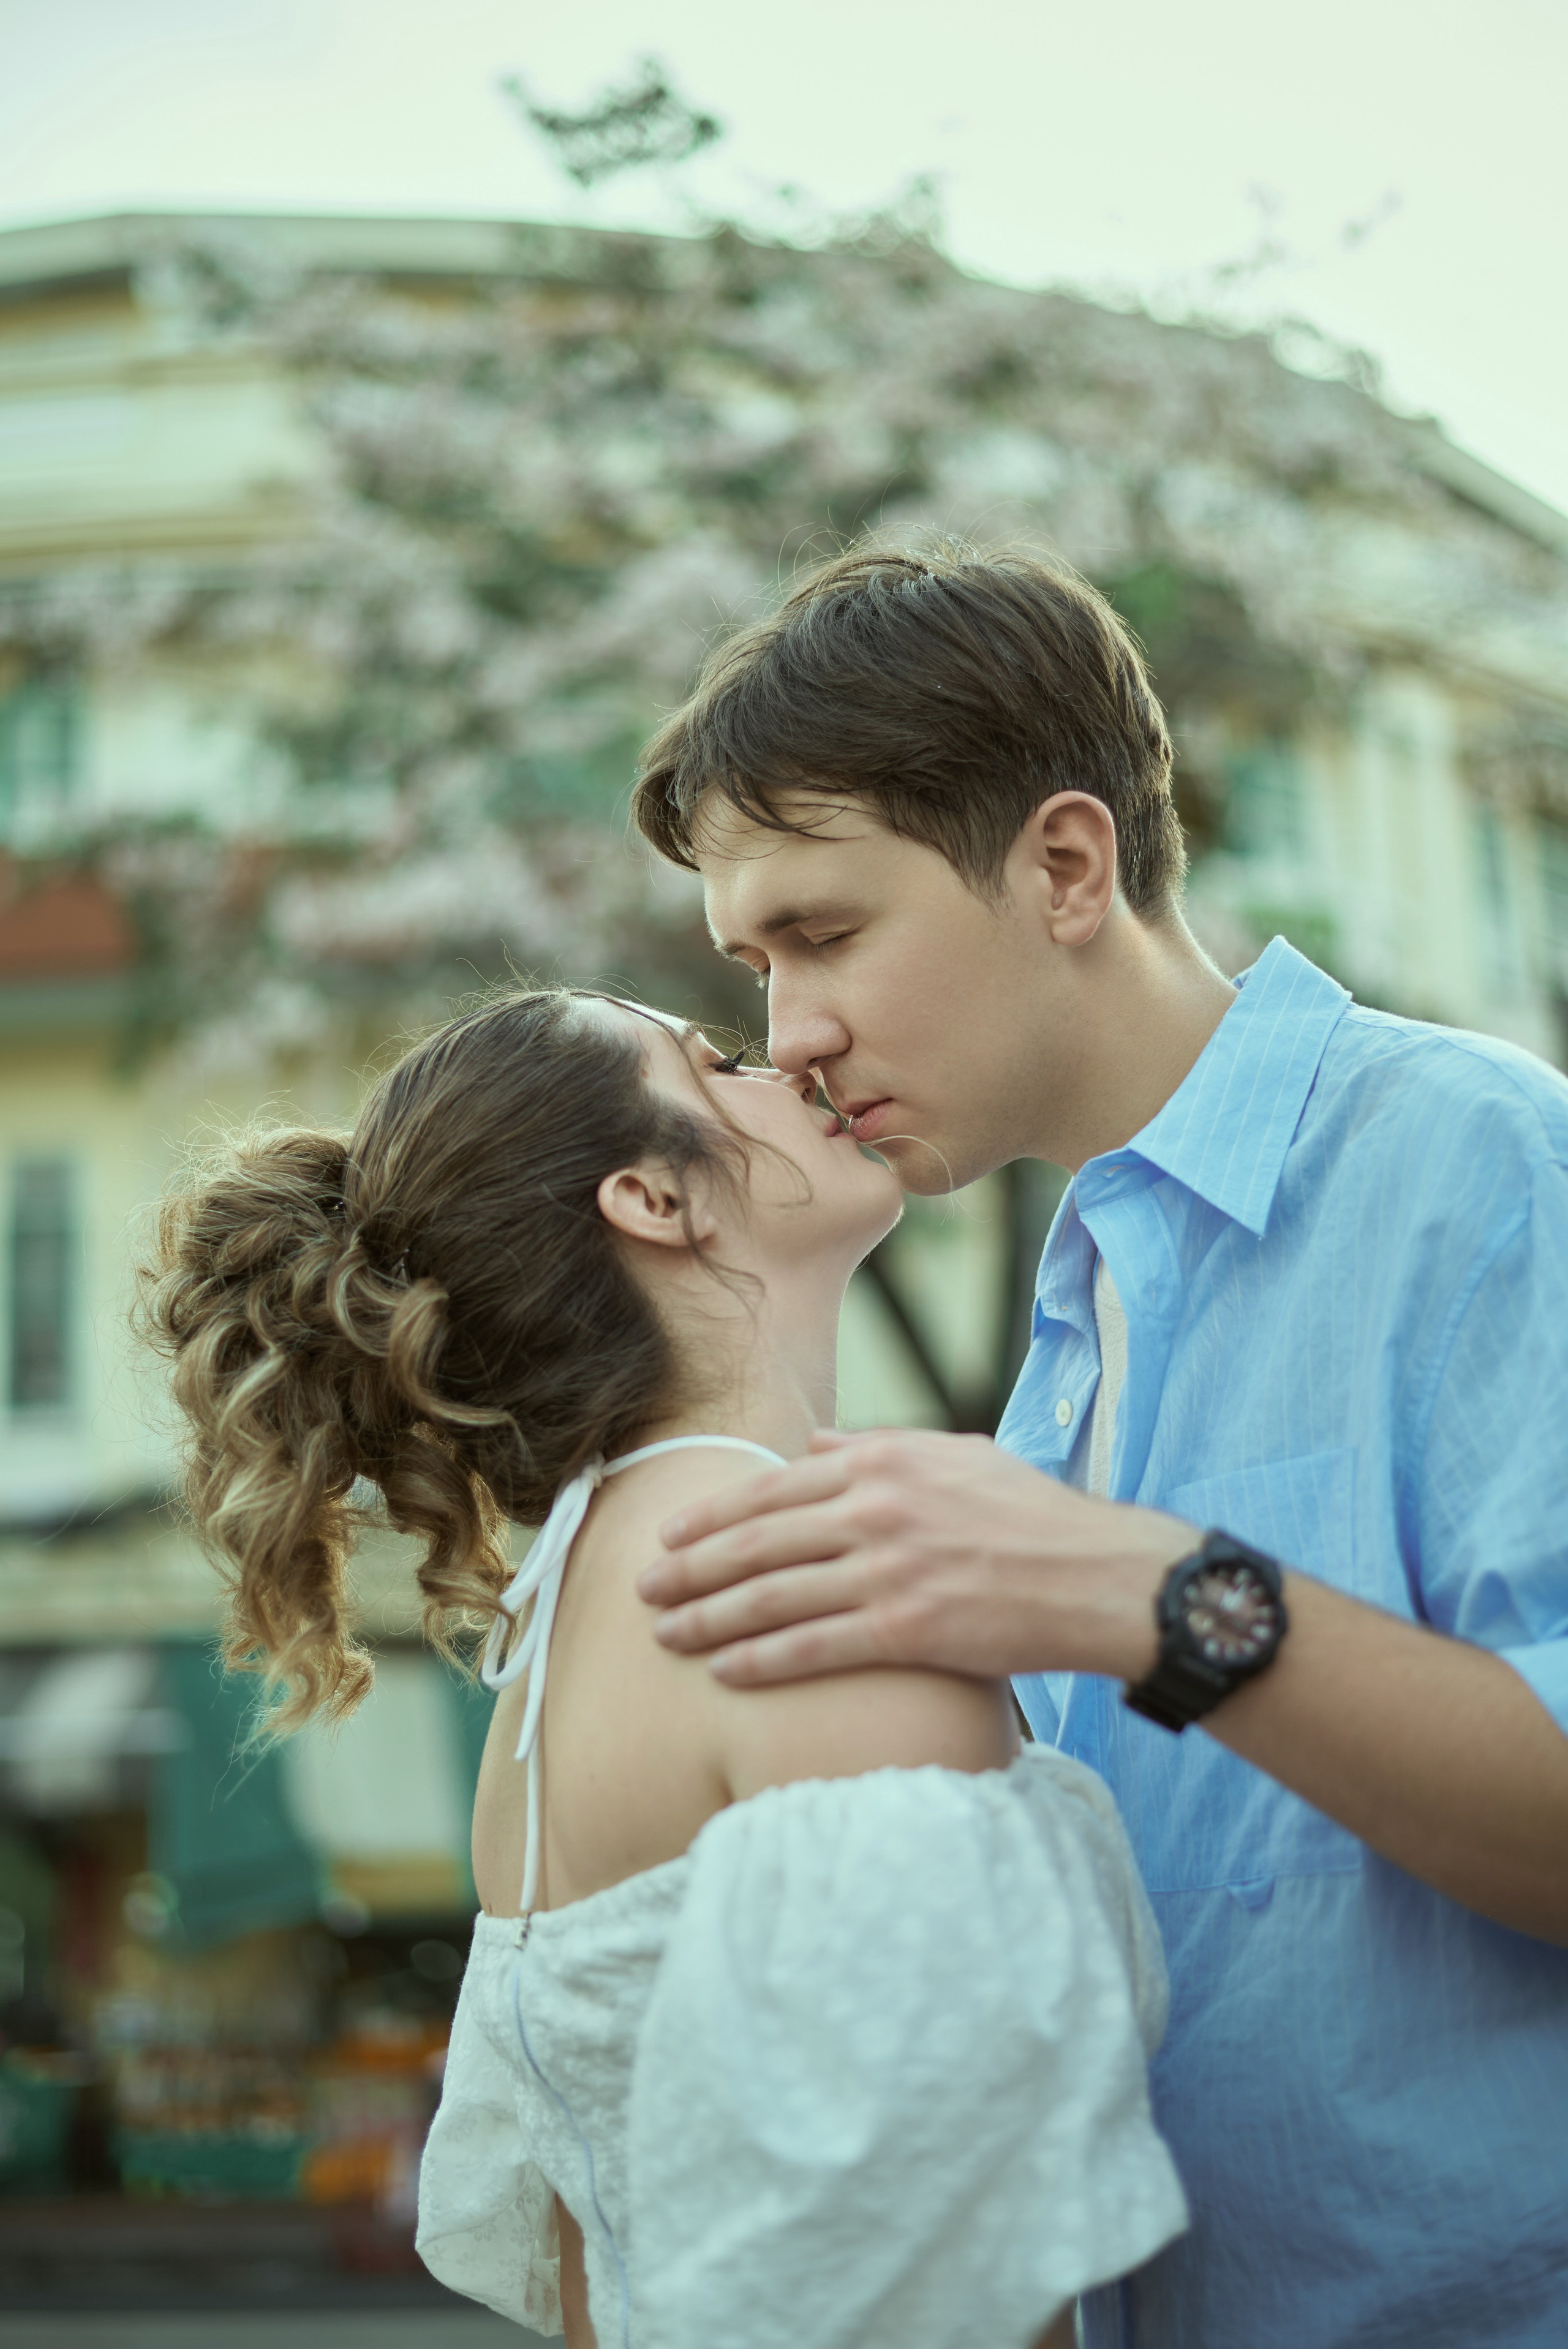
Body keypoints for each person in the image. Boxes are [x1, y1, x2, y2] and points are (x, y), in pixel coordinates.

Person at [628, 540, 1568, 2349]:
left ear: (1067, 864)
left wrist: (1150, 1596)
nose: (791, 1032)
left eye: (825, 934)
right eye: (754, 966)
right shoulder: (1071, 1322)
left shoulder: (1480, 1165)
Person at [137, 986, 1185, 2349]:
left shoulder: (563, 1628)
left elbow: (589, 2284)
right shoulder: (800, 1580)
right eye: (718, 1063)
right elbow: (978, 2288)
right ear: (653, 1198)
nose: (794, 1058)